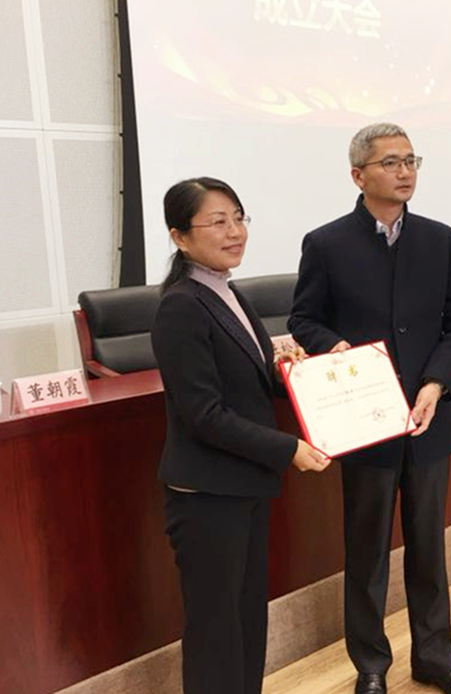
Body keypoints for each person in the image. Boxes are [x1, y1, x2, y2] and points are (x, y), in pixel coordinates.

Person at [288, 124, 451, 694]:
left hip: (428, 419)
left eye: (411, 161)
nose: (405, 172)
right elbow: (304, 318)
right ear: (358, 175)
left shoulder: (439, 238)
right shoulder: (326, 243)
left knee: (428, 547)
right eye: (391, 162)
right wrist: (334, 346)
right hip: (364, 421)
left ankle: (435, 658)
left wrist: (437, 383)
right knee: (367, 550)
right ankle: (371, 665)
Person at [151, 177, 330, 694]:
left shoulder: (229, 291)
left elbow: (252, 378)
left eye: (238, 218)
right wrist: (289, 449)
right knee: (216, 631)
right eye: (217, 222)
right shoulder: (181, 306)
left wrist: (301, 373)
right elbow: (203, 414)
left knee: (246, 619)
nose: (234, 232)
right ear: (179, 237)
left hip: (243, 485)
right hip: (207, 493)